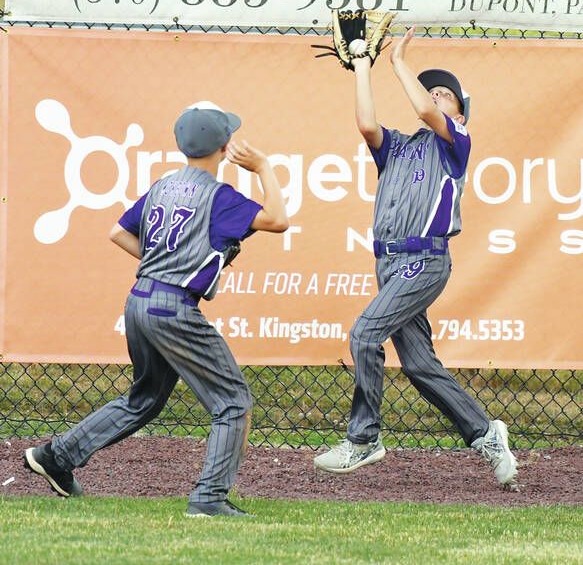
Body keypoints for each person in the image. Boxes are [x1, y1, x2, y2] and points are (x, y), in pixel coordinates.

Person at [24, 101, 289, 516]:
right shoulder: (219, 196)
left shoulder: (164, 185)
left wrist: (162, 266)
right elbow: (278, 218)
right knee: (233, 402)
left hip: (140, 300)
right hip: (173, 309)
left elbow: (118, 232)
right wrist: (265, 167)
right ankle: (209, 499)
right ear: (224, 148)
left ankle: (57, 456)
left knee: (144, 399)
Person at [314, 27, 518, 487]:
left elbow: (424, 108)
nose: (435, 97)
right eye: (432, 90)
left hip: (425, 260)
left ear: (461, 112)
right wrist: (363, 63)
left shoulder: (455, 144)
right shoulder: (399, 147)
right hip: (389, 264)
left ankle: (364, 439)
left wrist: (398, 62)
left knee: (365, 333)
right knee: (420, 366)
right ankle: (487, 435)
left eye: (446, 94)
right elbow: (366, 125)